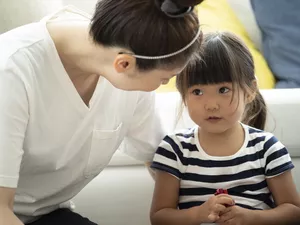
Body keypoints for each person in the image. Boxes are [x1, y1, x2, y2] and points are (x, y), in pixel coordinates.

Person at [0, 0, 202, 224]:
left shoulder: (131, 51)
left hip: (47, 216)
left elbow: (155, 158)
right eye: (164, 79)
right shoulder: (10, 72)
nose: (161, 85)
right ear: (124, 64)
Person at [150, 31, 300, 225]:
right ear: (183, 95)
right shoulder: (174, 149)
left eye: (223, 90)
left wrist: (251, 217)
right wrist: (199, 214)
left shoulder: (267, 148)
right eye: (197, 91)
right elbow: (159, 217)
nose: (211, 104)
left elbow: (294, 211)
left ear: (250, 90)